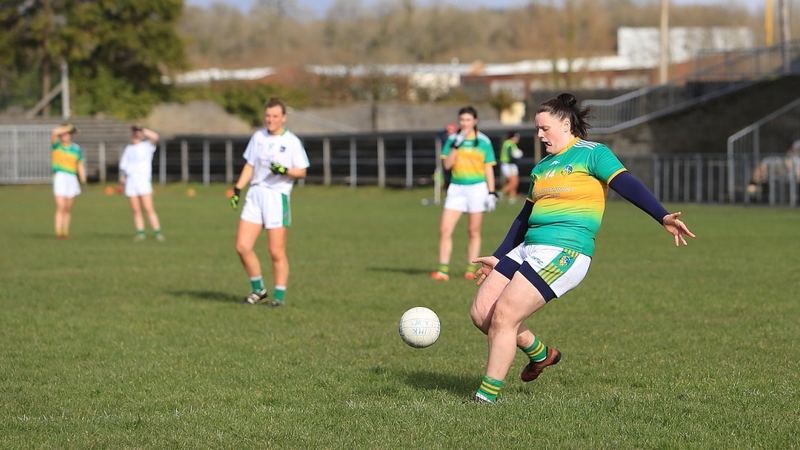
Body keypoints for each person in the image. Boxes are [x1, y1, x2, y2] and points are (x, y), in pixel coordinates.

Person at [468, 93, 696, 404]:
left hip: (564, 250)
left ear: (565, 124)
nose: (539, 135)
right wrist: (498, 255)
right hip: (527, 248)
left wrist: (663, 215)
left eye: (544, 128)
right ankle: (541, 354)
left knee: (504, 316)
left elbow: (627, 184)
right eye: (537, 129)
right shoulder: (543, 167)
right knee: (482, 313)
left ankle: (485, 398)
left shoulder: (593, 154)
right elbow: (524, 217)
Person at [229, 96, 310, 307]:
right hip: (255, 194)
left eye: (275, 116)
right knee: (242, 246)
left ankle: (279, 297)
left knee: (276, 251)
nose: (270, 119)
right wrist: (238, 189)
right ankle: (258, 290)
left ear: (283, 118)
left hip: (276, 197)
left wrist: (284, 170)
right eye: (267, 115)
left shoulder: (291, 141)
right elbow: (250, 165)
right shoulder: (258, 137)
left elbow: (301, 171)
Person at [431, 106, 497, 282]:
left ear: (475, 121)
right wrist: (455, 145)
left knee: (473, 230)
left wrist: (491, 192)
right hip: (456, 188)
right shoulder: (453, 140)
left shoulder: (483, 141)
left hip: (477, 188)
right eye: (462, 120)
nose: (465, 123)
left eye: (468, 120)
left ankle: (470, 268)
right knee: (445, 229)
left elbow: (488, 167)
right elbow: (447, 165)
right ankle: (443, 270)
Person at [119, 125, 164, 242]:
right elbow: (125, 167)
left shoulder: (146, 146)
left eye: (137, 133)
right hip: (131, 182)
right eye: (134, 133)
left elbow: (155, 137)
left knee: (148, 208)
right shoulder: (129, 149)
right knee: (136, 209)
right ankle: (140, 232)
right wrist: (122, 181)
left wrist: (142, 130)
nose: (135, 135)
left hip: (143, 181)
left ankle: (157, 232)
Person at [51, 123, 86, 239]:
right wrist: (67, 128)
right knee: (60, 205)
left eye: (68, 134)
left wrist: (83, 179)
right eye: (64, 134)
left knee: (67, 207)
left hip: (71, 178)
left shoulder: (76, 148)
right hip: (60, 177)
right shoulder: (57, 146)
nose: (66, 136)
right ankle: (58, 232)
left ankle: (65, 231)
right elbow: (54, 132)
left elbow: (79, 164)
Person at [499, 131, 522, 203]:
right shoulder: (509, 144)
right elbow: (510, 154)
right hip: (508, 165)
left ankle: (512, 198)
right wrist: (516, 157)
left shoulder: (512, 144)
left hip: (511, 165)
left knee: (515, 181)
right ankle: (499, 194)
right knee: (513, 182)